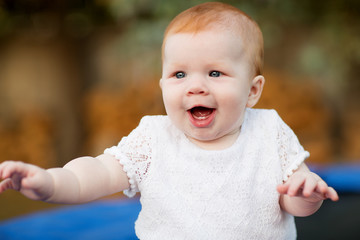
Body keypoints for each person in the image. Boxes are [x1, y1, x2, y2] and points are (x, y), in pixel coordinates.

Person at [0, 2, 338, 239]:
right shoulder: (153, 138)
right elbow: (97, 173)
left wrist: (306, 194)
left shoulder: (269, 131)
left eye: (215, 72)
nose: (195, 86)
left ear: (252, 91)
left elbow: (293, 201)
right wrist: (50, 182)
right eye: (179, 74)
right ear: (162, 85)